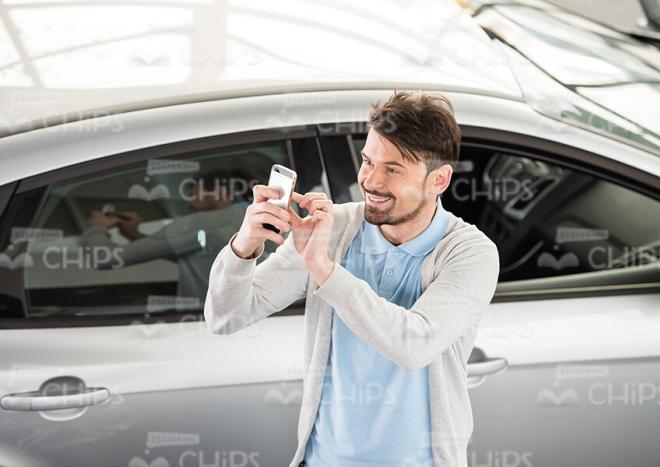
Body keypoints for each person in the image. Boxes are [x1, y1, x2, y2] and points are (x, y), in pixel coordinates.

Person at [204, 90, 501, 467]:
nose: (371, 181)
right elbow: (225, 317)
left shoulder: (470, 253)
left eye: (393, 168)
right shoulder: (336, 227)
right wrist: (244, 246)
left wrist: (324, 268)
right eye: (367, 161)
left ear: (439, 180)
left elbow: (414, 344)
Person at [82, 168, 250, 305]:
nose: (191, 203)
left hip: (205, 321)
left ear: (219, 193)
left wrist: (96, 228)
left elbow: (105, 259)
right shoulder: (248, 218)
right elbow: (201, 255)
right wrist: (134, 235)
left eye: (195, 194)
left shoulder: (198, 222)